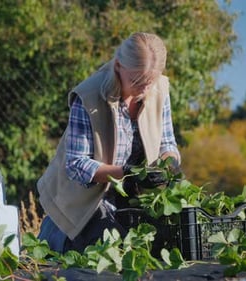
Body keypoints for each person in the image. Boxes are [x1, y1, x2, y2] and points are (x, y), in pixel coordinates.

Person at [36, 32, 181, 253]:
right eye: (136, 80)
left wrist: (166, 165)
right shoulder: (88, 97)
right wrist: (126, 172)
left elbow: (167, 143)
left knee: (164, 245)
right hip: (85, 201)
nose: (143, 88)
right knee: (111, 251)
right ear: (119, 66)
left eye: (149, 81)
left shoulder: (160, 88)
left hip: (132, 198)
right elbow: (76, 165)